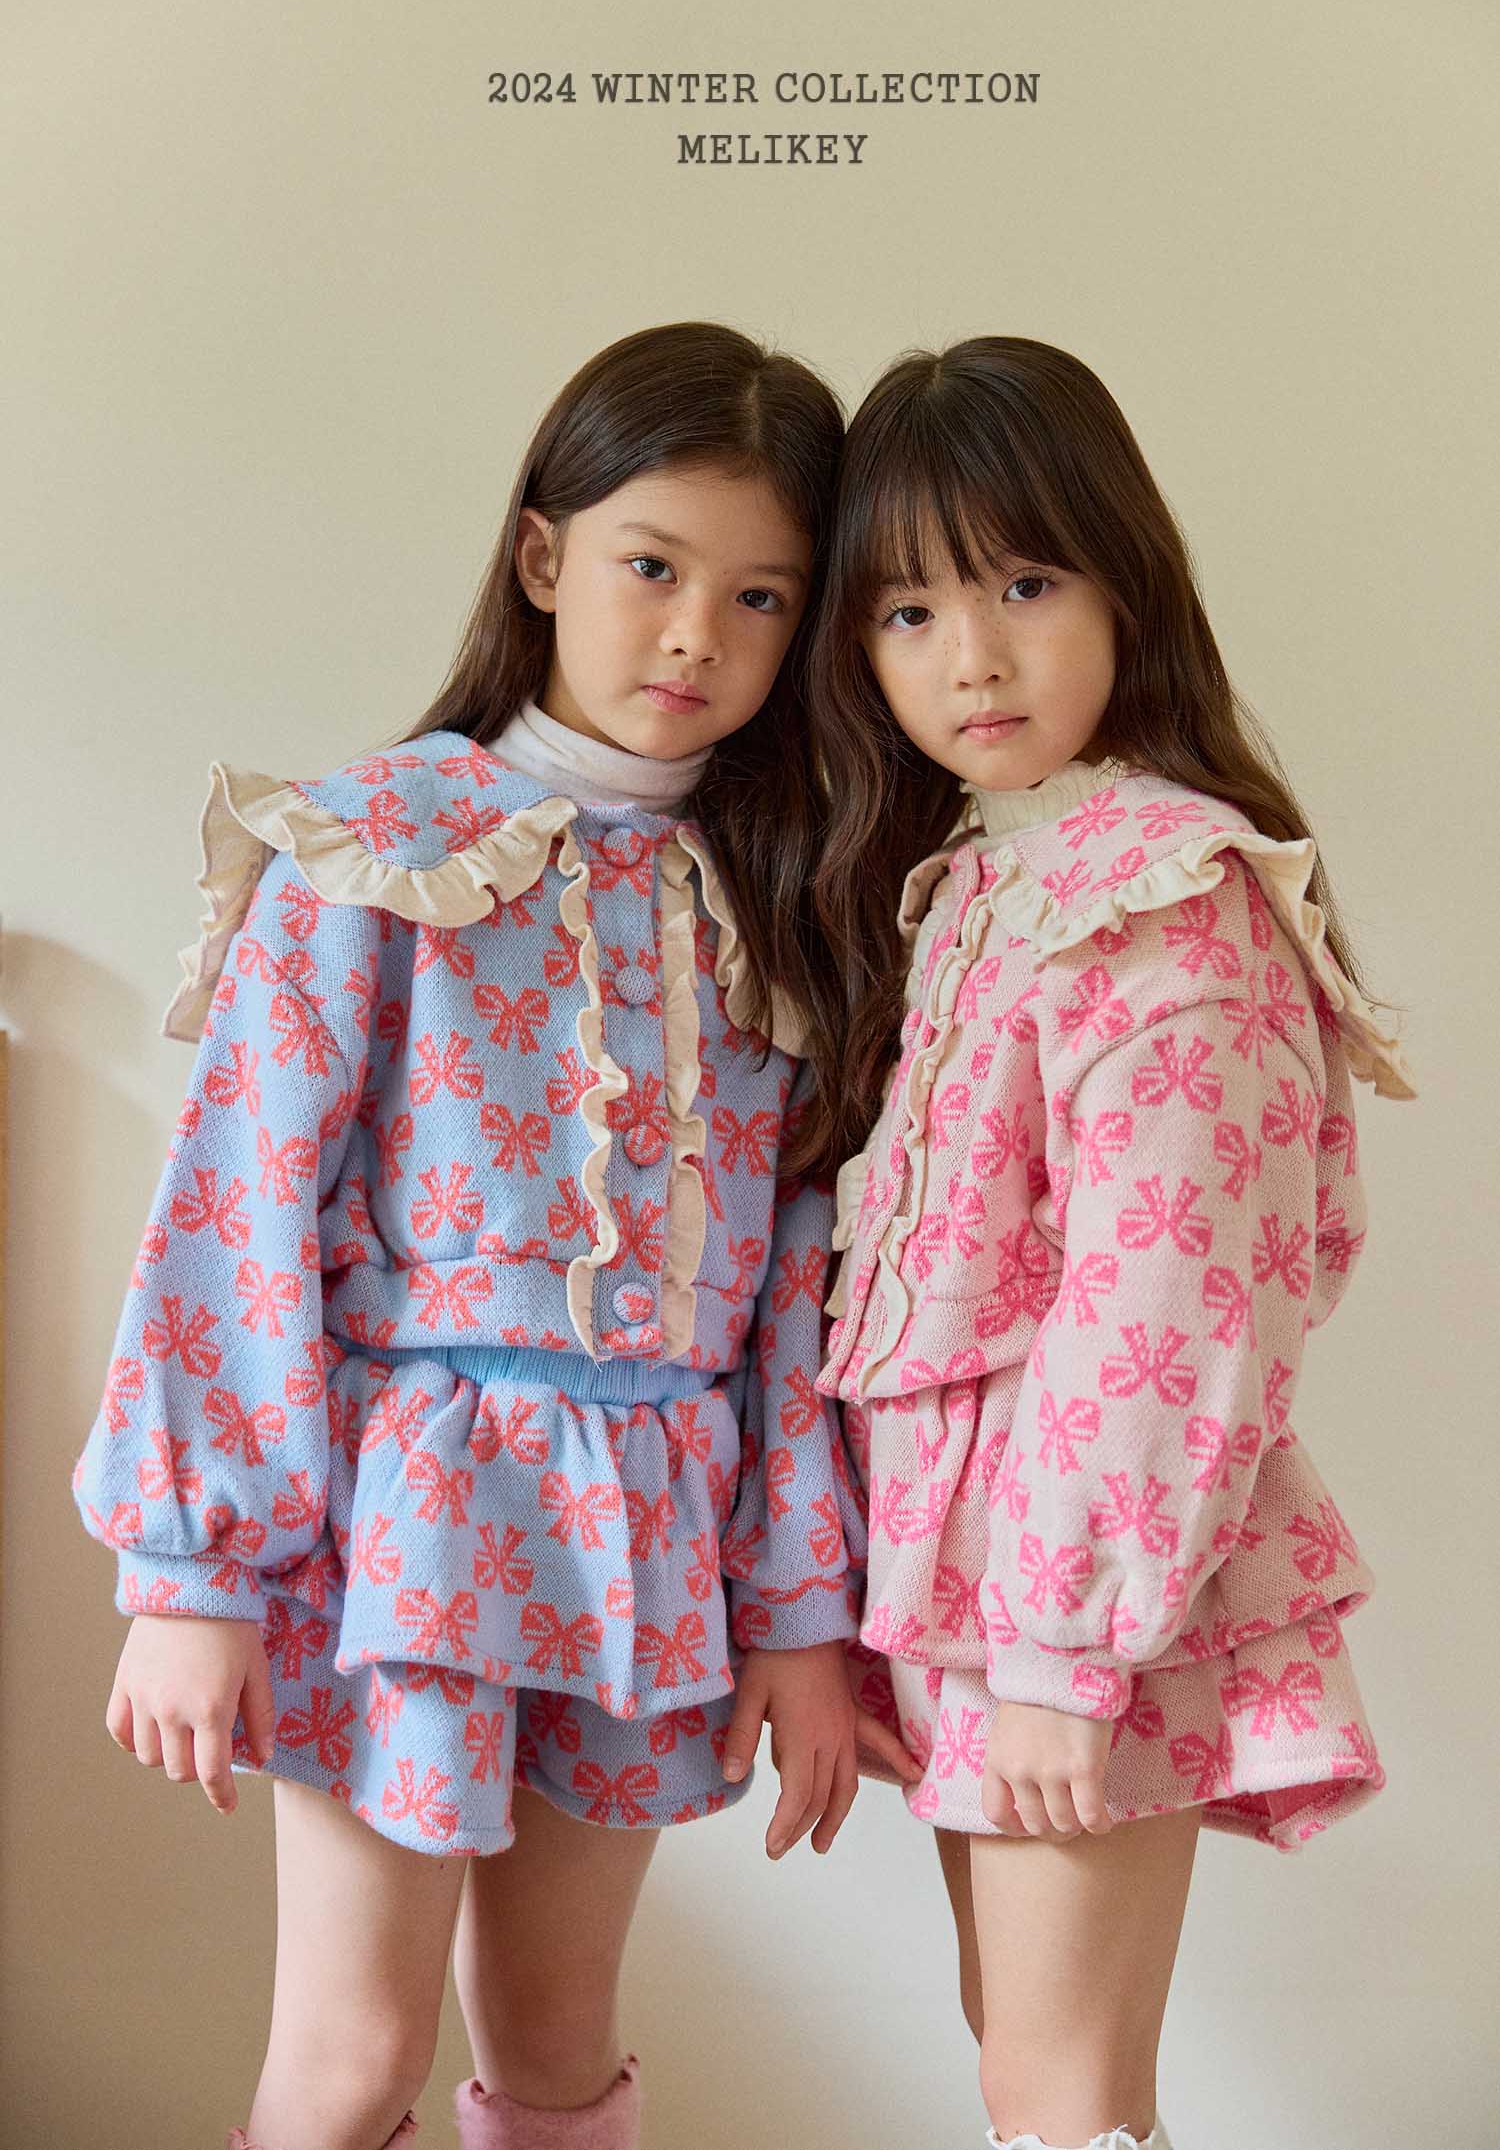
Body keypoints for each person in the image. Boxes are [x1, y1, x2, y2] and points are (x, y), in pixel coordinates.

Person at [73, 321, 914, 2150]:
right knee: (354, 2053)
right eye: (651, 566)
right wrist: (192, 1574)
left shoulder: (776, 910)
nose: (697, 635)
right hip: (411, 1519)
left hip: (654, 1529)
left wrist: (797, 1612)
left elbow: (786, 1296)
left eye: (761, 596)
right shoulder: (376, 846)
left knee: (555, 2034)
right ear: (543, 556)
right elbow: (235, 1207)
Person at [806, 336, 1417, 2150]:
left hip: (1075, 1580)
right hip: (982, 1572)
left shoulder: (1165, 891)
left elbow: (1173, 1303)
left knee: (1055, 2092)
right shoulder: (996, 872)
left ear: (1124, 584)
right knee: (1031, 2063)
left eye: (1023, 583)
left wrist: (1066, 1654)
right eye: (909, 611)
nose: (971, 658)